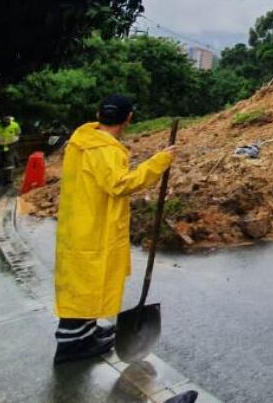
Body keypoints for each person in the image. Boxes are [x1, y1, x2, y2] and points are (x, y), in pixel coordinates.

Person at [53, 94, 176, 364]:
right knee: (85, 283)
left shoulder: (84, 140)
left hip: (82, 222)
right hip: (92, 226)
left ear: (98, 115)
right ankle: (71, 345)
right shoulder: (103, 149)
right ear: (129, 118)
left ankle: (85, 333)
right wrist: (158, 163)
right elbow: (119, 184)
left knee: (85, 283)